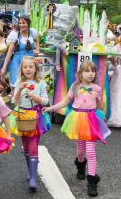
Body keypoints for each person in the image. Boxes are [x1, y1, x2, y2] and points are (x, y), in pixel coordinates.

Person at [43, 60, 111, 197]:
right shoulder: (75, 87)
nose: (90, 74)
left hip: (91, 120)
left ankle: (92, 182)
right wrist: (50, 108)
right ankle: (80, 166)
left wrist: (102, 114)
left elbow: (99, 105)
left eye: (92, 71)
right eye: (87, 71)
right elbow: (65, 102)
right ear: (80, 74)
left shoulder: (97, 88)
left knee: (91, 152)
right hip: (77, 120)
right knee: (80, 151)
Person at [9, 56, 51, 192]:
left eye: (30, 67)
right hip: (22, 115)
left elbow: (45, 101)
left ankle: (33, 178)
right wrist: (20, 90)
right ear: (21, 69)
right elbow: (14, 101)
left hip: (35, 116)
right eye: (25, 67)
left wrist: (36, 97)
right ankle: (30, 171)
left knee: (33, 145)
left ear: (35, 69)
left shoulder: (41, 83)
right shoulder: (19, 81)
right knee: (26, 146)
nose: (28, 69)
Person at [1, 16, 39, 90]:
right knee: (17, 84)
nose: (21, 25)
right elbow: (10, 51)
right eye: (20, 23)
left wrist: (37, 50)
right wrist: (4, 67)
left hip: (30, 61)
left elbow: (37, 41)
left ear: (28, 23)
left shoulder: (32, 32)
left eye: (24, 23)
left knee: (30, 84)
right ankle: (17, 99)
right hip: (17, 62)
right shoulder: (15, 34)